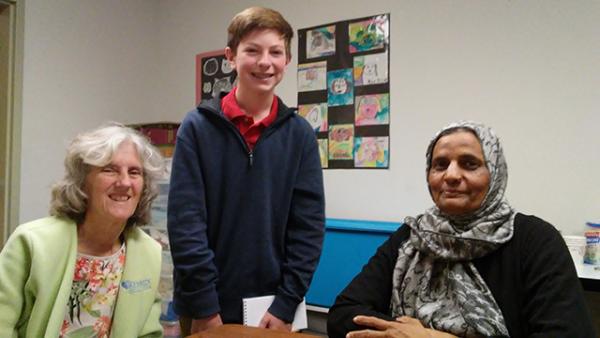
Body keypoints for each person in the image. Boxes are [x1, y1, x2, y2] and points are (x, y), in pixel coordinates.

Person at [327, 121, 596, 338]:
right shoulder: (413, 236)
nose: (451, 175)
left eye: (469, 164)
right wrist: (401, 334)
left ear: (495, 174)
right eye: (440, 164)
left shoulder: (534, 240)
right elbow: (343, 314)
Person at [167, 6, 325, 335]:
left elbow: (307, 230)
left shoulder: (300, 135)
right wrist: (204, 307)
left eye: (275, 52)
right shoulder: (196, 128)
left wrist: (286, 303)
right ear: (231, 57)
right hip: (206, 307)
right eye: (252, 50)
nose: (264, 62)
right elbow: (186, 225)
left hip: (275, 308)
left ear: (287, 60)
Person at [0, 123, 166, 337]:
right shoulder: (32, 242)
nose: (124, 182)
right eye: (109, 170)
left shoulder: (148, 252)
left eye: (134, 172)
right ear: (82, 181)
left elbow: (148, 333)